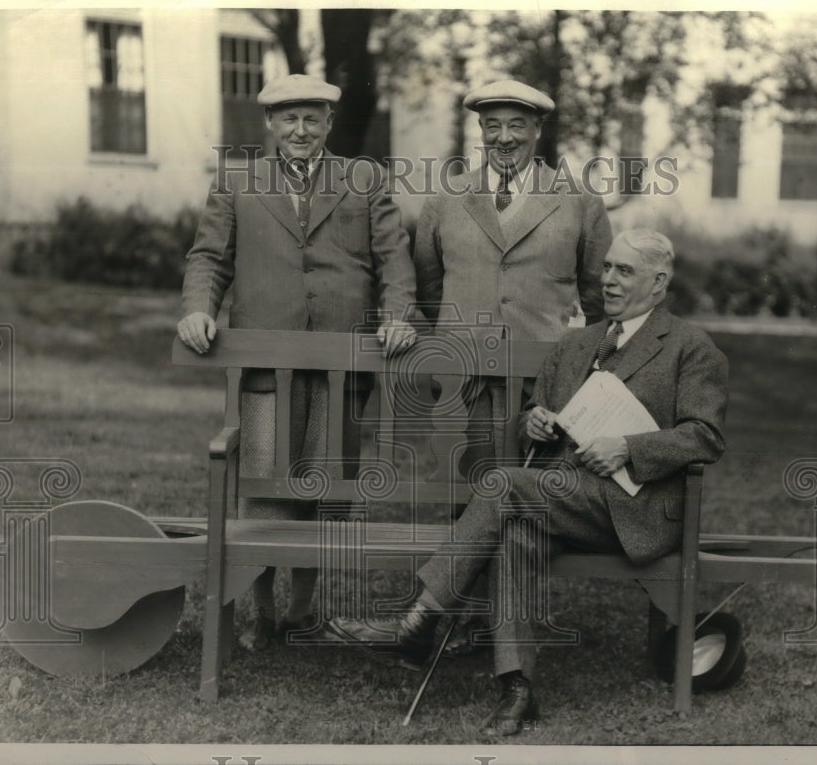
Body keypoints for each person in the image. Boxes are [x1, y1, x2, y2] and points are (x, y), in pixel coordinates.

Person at [324, 229, 728, 736]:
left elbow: (705, 436)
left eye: (624, 271)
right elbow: (531, 415)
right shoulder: (577, 344)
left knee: (505, 485)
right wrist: (532, 420)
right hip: (558, 499)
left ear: (659, 281)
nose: (608, 280)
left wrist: (629, 447)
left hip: (632, 507)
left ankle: (420, 620)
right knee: (515, 535)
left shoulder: (691, 348)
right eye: (606, 268)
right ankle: (518, 689)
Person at [178, 74, 417, 648]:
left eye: (312, 119)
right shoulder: (238, 181)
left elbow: (394, 258)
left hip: (342, 362)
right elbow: (209, 256)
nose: (301, 130)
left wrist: (399, 314)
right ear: (270, 124)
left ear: (329, 123)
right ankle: (261, 604)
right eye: (289, 119)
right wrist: (196, 310)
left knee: (324, 487)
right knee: (264, 485)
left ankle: (303, 608)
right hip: (265, 363)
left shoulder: (364, 179)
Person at [410, 79, 612, 655]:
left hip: (542, 384)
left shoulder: (577, 201)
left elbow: (600, 299)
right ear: (479, 132)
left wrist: (576, 363)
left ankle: (501, 626)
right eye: (492, 126)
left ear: (537, 132)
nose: (503, 138)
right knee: (467, 487)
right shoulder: (446, 199)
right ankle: (461, 617)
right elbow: (428, 286)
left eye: (516, 126)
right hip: (464, 378)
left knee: (524, 496)